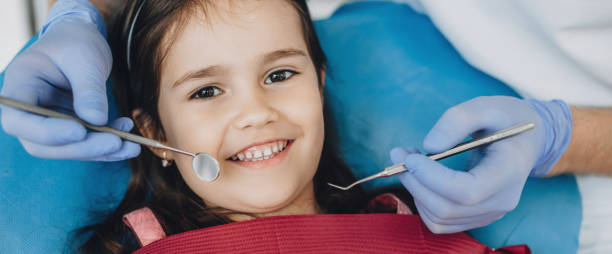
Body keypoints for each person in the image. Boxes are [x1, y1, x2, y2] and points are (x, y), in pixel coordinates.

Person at [1, 0, 611, 236]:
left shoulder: (409, 225)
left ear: (320, 87)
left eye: (279, 75)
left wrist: (560, 136)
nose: (256, 112)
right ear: (156, 136)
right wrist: (74, 13)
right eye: (208, 90)